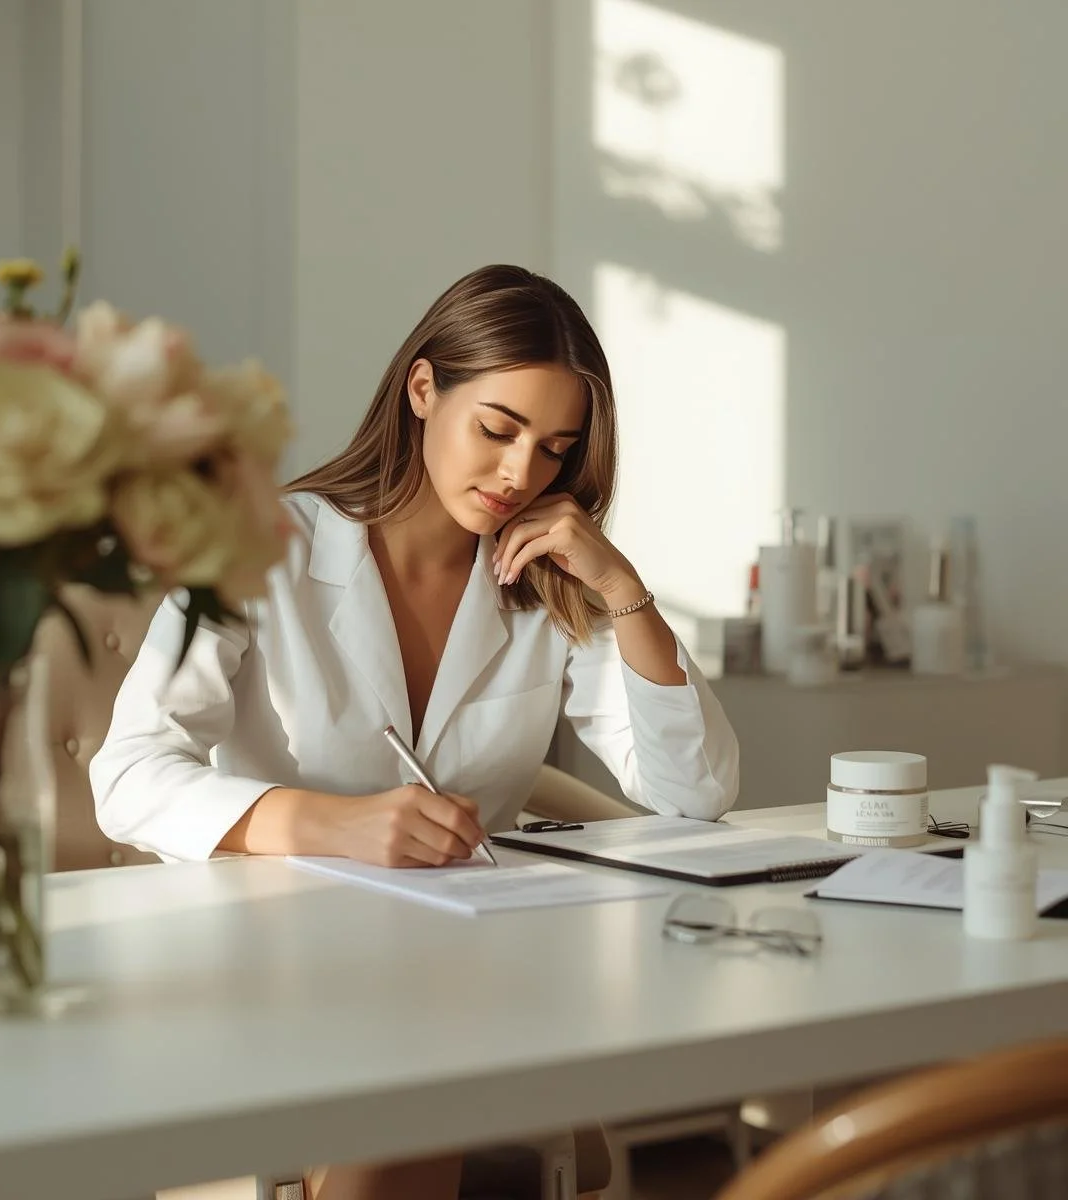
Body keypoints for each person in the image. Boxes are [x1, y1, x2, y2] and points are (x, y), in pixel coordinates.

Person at [90, 263, 739, 1199]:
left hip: (467, 969)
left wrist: (621, 587)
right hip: (274, 960)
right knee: (418, 1078)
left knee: (431, 1057)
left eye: (556, 448)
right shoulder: (259, 542)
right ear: (424, 388)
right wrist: (324, 823)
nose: (522, 474)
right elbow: (128, 773)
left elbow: (695, 794)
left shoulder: (550, 580)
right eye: (498, 430)